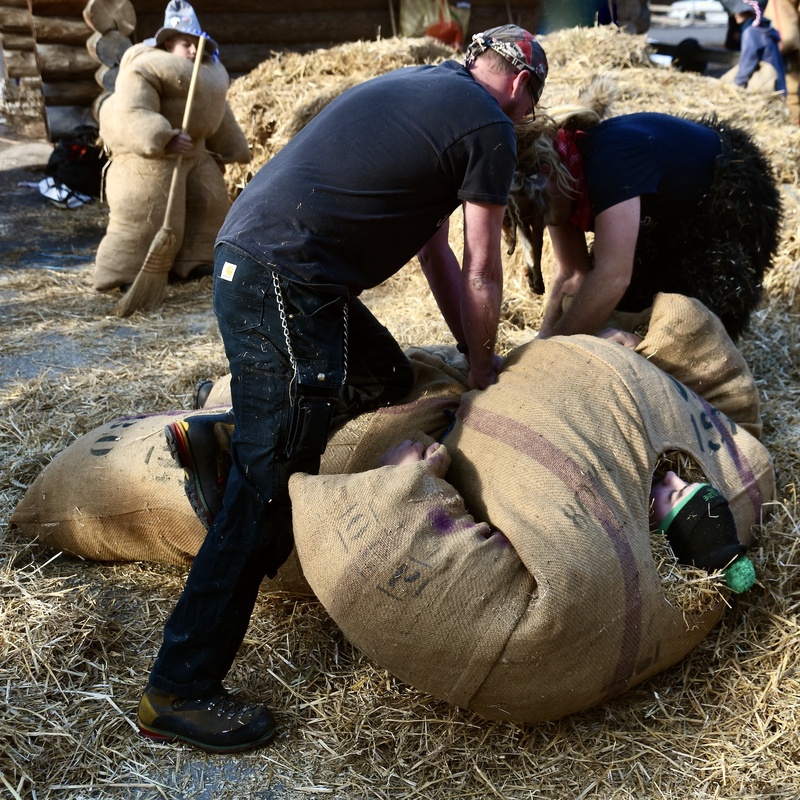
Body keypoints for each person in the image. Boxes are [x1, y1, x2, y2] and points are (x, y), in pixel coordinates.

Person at [136, 25, 548, 753]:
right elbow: (483, 269)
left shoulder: (425, 92)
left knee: (382, 375)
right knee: (269, 484)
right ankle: (178, 689)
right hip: (286, 278)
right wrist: (486, 374)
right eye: (530, 102)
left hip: (261, 259)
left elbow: (438, 260)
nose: (525, 116)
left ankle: (225, 433)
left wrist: (470, 353)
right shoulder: (489, 126)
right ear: (520, 86)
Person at [511, 110, 782, 342]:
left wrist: (558, 347)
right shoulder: (558, 184)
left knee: (697, 326)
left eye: (535, 214)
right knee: (623, 311)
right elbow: (573, 275)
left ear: (546, 173)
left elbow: (612, 277)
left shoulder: (608, 164)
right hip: (658, 217)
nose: (539, 225)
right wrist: (543, 343)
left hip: (725, 197)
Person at [93, 0, 250, 292]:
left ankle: (196, 261)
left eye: (196, 44)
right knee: (147, 212)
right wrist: (163, 137)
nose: (192, 50)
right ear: (167, 44)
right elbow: (133, 109)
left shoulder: (210, 73)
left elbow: (218, 113)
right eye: (185, 44)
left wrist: (231, 148)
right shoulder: (146, 68)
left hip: (194, 153)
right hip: (151, 158)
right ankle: (126, 272)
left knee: (209, 204)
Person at [722, 0, 787, 96]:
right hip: (778, 87)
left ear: (749, 11)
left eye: (738, 10)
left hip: (767, 91)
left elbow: (747, 65)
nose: (734, 14)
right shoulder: (766, 28)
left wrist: (735, 87)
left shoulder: (751, 32)